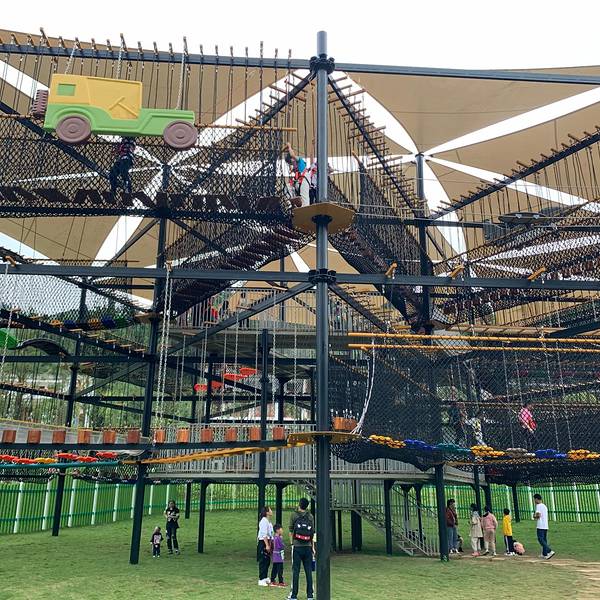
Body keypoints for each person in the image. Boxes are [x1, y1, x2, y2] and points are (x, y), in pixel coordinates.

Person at [288, 498, 315, 600]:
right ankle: (310, 595)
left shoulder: (294, 515)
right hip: (308, 546)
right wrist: (313, 547)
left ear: (299, 504)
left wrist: (292, 543)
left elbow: (291, 530)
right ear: (307, 506)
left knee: (296, 571)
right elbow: (312, 533)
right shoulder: (310, 516)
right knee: (308, 571)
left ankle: (294, 595)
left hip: (297, 546)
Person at [283, 142, 313, 208]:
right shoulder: (295, 167)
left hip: (304, 179)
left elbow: (292, 155)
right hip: (298, 182)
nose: (292, 164)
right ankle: (291, 204)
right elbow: (292, 168)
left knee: (304, 197)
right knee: (287, 187)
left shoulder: (299, 160)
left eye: (292, 161)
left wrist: (289, 147)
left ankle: (306, 208)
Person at [533, 493, 555, 559]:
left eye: (534, 499)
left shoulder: (538, 506)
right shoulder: (544, 506)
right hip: (545, 525)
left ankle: (549, 551)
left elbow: (538, 515)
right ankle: (544, 554)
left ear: (537, 499)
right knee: (544, 540)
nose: (534, 501)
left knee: (540, 539)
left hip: (540, 525)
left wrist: (534, 516)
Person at [257, 506, 274, 586]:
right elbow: (264, 534)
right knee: (263, 560)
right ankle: (261, 579)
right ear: (267, 512)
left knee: (267, 560)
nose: (271, 511)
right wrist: (267, 545)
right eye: (270, 510)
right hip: (263, 542)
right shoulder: (263, 521)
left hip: (268, 541)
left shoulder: (268, 521)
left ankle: (265, 577)